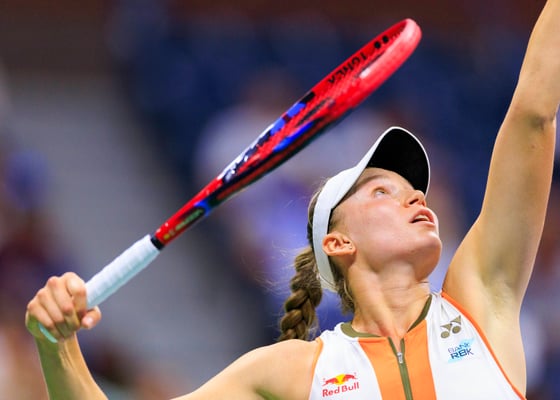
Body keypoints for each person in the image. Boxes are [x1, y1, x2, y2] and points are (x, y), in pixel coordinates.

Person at [25, 0, 559, 398]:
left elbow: (534, 110)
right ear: (339, 242)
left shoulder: (481, 299)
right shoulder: (295, 372)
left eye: (415, 191)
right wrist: (57, 347)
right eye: (383, 190)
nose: (417, 199)